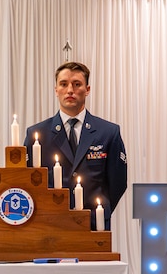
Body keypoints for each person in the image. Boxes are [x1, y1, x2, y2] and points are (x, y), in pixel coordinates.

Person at [25, 62, 128, 229]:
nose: (70, 90)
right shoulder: (37, 134)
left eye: (77, 84)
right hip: (49, 224)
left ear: (87, 89)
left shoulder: (108, 132)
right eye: (63, 84)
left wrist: (100, 211)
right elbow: (27, 181)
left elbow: (118, 182)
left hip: (93, 224)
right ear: (56, 90)